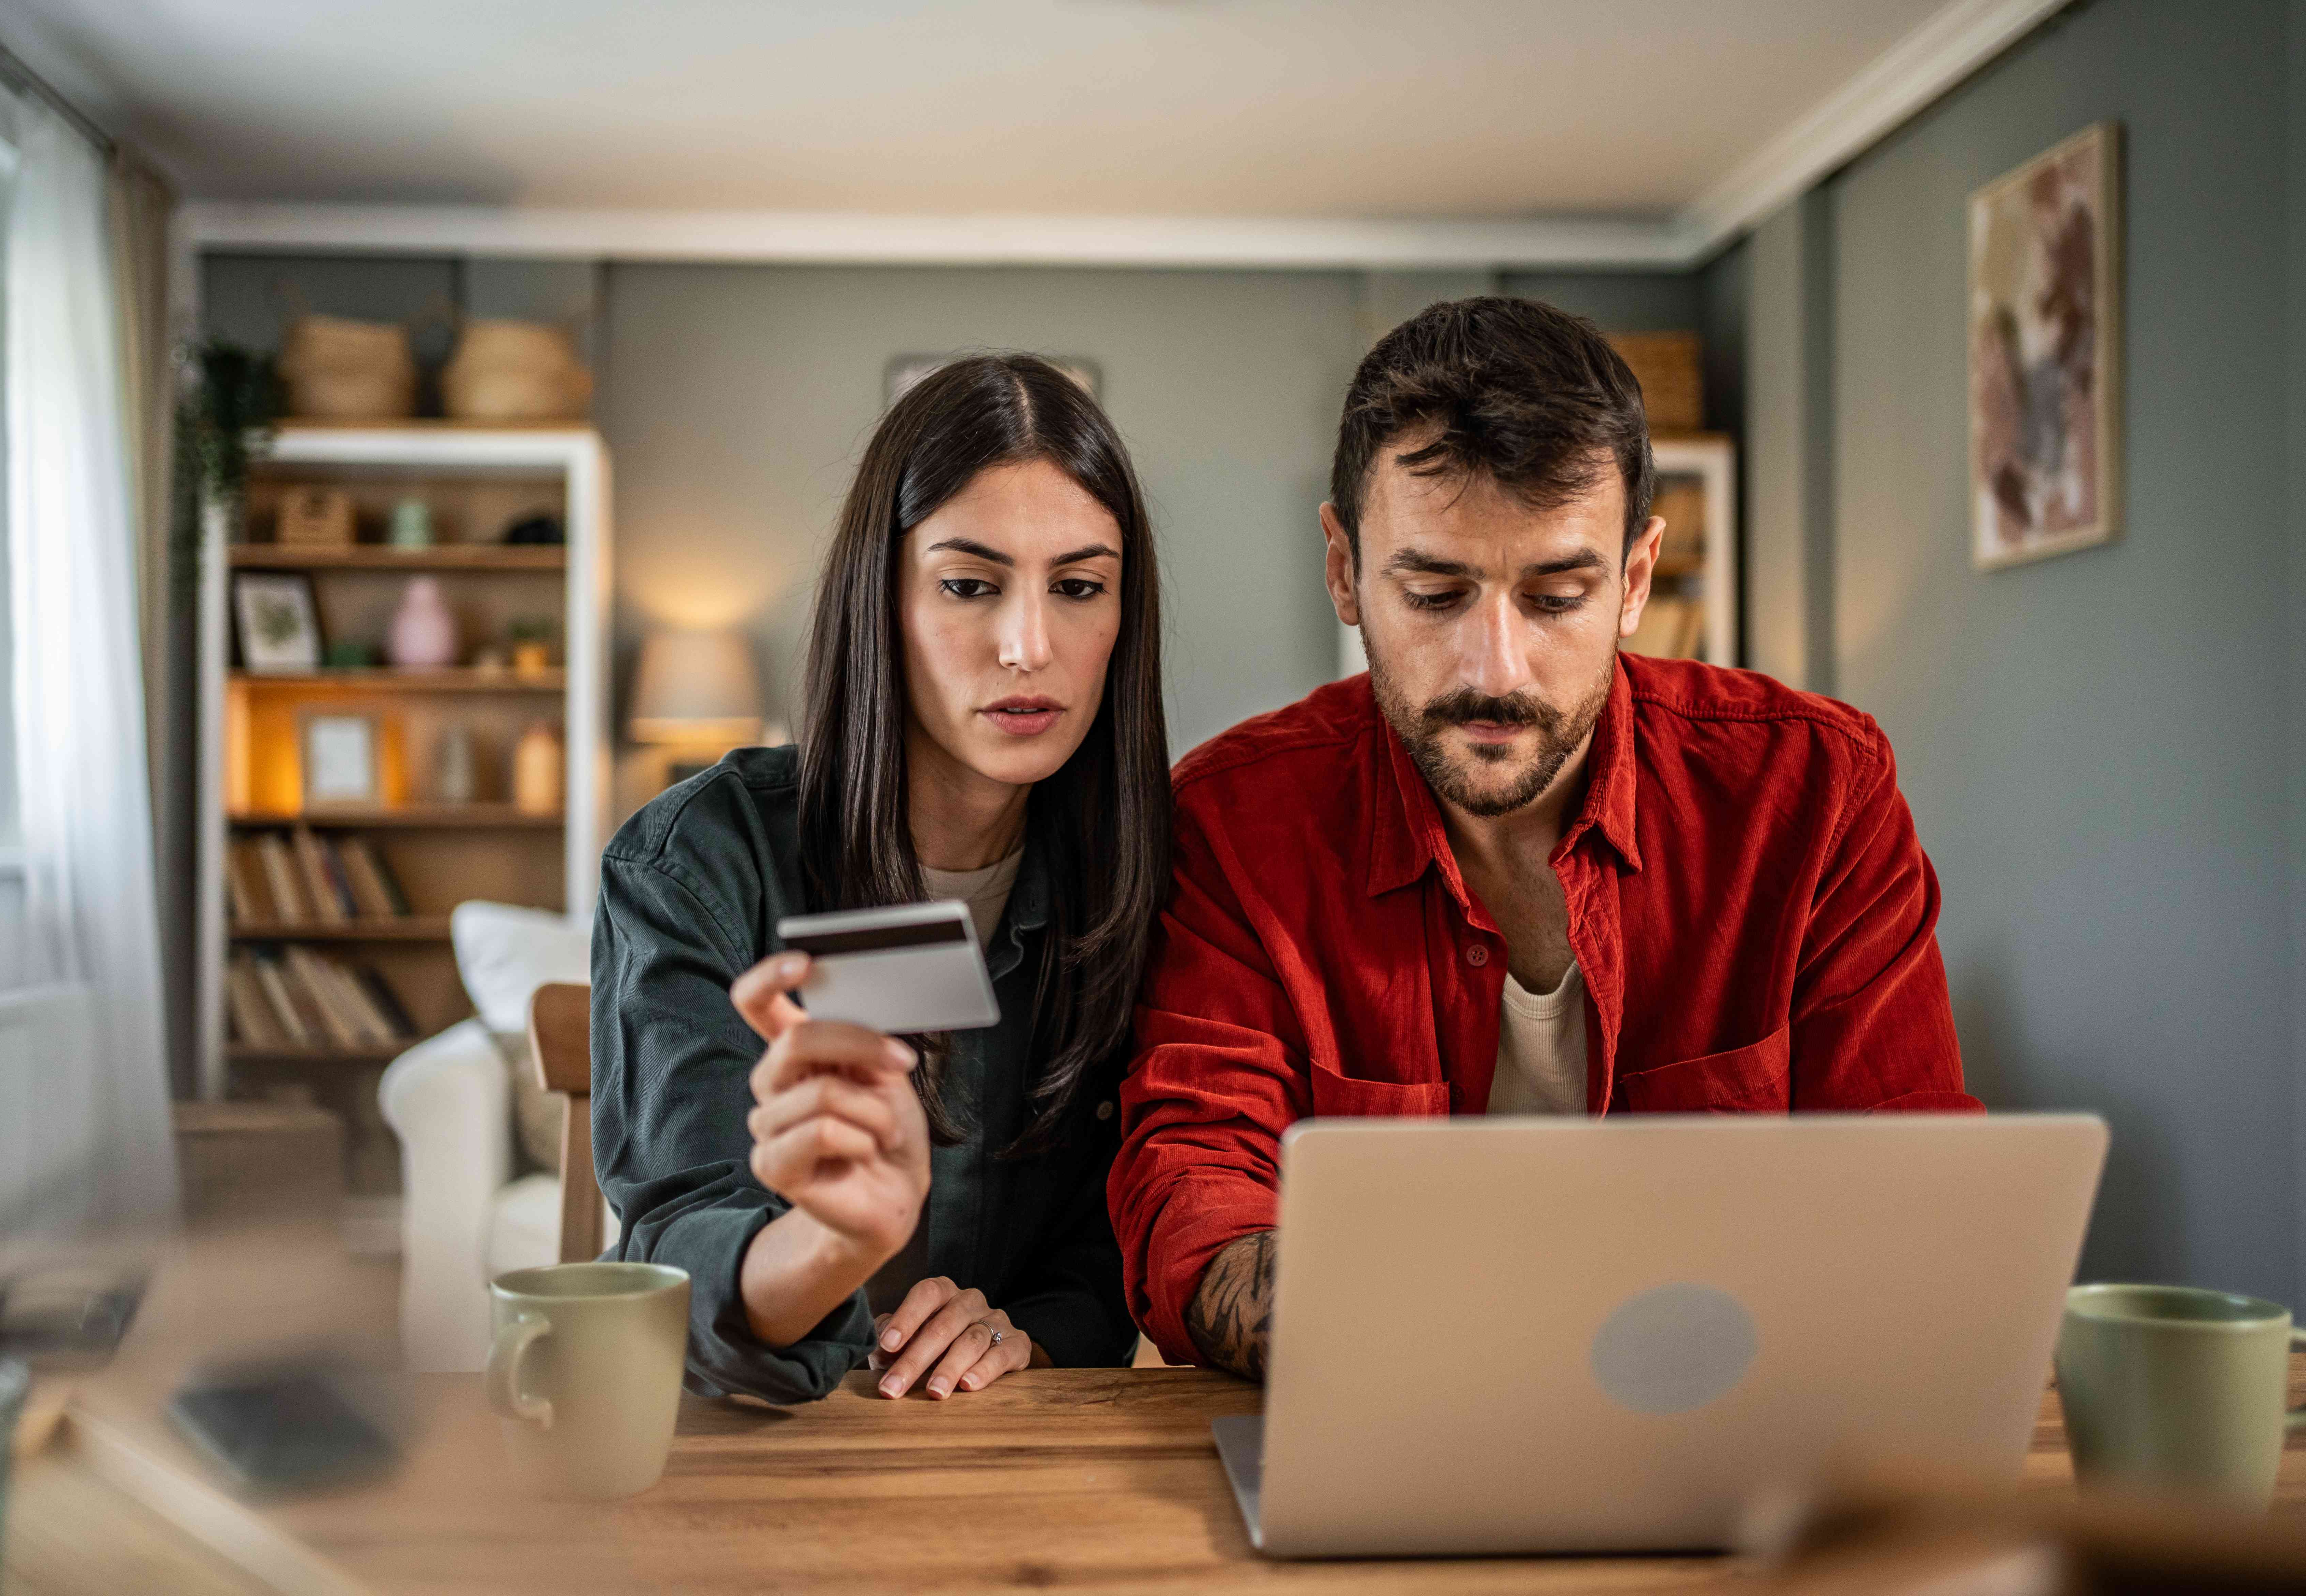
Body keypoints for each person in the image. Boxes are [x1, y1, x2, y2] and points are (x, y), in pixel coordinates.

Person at [1107, 297, 1981, 1381]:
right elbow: (1193, 1184)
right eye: (1433, 593)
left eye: (1558, 596)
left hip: (1738, 1429)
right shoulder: (1236, 823)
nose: (1496, 671)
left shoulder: (1816, 794)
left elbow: (1913, 1196)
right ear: (1343, 569)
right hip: (1388, 1427)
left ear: (1635, 577)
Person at [594, 355, 1168, 1403]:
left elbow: (1102, 1263)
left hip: (1002, 1456)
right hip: (755, 1456)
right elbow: (669, 1275)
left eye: (1080, 587)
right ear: (881, 598)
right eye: (969, 586)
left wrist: (1020, 1338)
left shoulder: (1140, 875)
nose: (1028, 646)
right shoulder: (695, 862)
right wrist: (836, 1242)